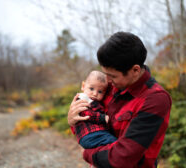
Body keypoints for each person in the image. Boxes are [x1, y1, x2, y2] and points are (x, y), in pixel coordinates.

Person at [68, 32, 172, 168]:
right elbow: (87, 122)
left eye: (112, 76)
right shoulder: (108, 87)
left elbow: (122, 158)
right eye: (105, 74)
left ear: (135, 70)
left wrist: (87, 154)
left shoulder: (155, 100)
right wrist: (72, 121)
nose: (107, 80)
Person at [72, 70, 117, 149]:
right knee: (114, 143)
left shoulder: (95, 102)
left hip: (97, 133)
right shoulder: (82, 98)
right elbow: (85, 113)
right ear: (83, 86)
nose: (95, 94)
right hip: (89, 134)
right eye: (91, 89)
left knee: (111, 145)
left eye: (100, 91)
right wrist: (102, 117)